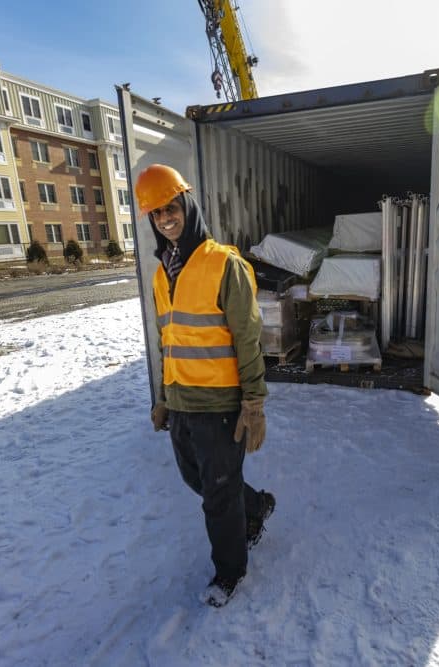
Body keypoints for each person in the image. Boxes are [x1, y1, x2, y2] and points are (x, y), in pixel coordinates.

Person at [135, 163, 276, 608]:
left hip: (219, 404)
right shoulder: (163, 273)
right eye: (156, 214)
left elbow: (248, 338)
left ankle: (229, 573)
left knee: (217, 495)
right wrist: (163, 398)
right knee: (197, 478)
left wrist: (253, 403)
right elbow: (167, 341)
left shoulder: (223, 264)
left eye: (170, 208)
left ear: (187, 206)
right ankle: (255, 506)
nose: (165, 219)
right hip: (182, 403)